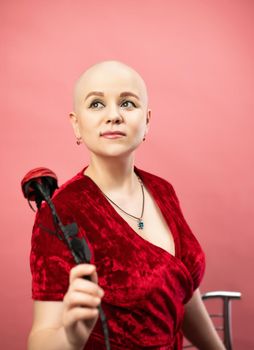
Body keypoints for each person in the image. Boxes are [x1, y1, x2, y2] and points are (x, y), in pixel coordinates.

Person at [28, 60, 225, 350]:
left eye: (127, 103)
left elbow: (182, 291)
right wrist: (70, 337)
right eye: (96, 104)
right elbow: (39, 339)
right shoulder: (60, 214)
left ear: (147, 121)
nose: (113, 116)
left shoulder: (163, 190)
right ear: (76, 123)